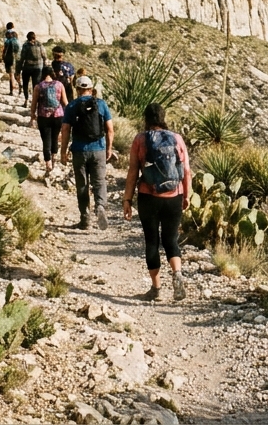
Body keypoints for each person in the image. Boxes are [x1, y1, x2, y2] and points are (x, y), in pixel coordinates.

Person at [124, 103, 191, 302]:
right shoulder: (177, 138)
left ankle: (156, 288)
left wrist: (127, 199)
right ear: (163, 117)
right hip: (174, 196)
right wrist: (187, 194)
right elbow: (186, 170)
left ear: (146, 119)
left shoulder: (140, 139)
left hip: (148, 196)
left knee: (151, 241)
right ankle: (177, 273)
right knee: (171, 239)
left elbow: (133, 172)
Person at [60, 76, 114, 230]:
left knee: (82, 185)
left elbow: (65, 129)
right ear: (91, 89)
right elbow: (110, 129)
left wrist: (63, 152)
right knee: (99, 181)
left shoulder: (72, 106)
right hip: (99, 150)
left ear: (77, 89)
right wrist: (109, 148)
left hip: (79, 151)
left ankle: (85, 220)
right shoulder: (101, 104)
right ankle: (100, 206)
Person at [29, 66, 68, 174]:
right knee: (55, 138)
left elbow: (34, 103)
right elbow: (65, 102)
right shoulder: (59, 85)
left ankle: (48, 165)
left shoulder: (38, 86)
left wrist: (32, 115)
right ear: (52, 73)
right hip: (58, 116)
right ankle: (54, 158)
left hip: (43, 117)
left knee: (46, 140)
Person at [18, 31, 46, 103]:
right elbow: (44, 56)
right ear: (35, 37)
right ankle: (35, 101)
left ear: (27, 38)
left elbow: (22, 57)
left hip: (27, 67)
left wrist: (19, 68)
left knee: (25, 84)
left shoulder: (26, 45)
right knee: (36, 85)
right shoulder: (40, 44)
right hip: (38, 67)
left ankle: (26, 100)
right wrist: (44, 66)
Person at [1, 24, 20, 96]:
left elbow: (5, 48)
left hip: (9, 57)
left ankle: (11, 91)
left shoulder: (6, 36)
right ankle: (19, 87)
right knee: (17, 73)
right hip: (16, 57)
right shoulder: (16, 35)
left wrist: (3, 56)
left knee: (11, 74)